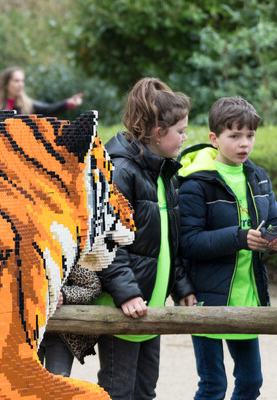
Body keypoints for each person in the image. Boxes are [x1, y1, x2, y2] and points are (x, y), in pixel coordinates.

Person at [178, 96, 277, 400]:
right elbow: (188, 243)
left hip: (249, 298)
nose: (245, 143)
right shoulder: (194, 183)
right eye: (235, 136)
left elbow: (275, 222)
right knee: (213, 386)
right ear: (214, 139)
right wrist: (239, 238)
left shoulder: (259, 177)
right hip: (205, 301)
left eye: (250, 135)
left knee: (251, 383)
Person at [94, 77, 196, 400]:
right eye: (180, 131)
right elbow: (108, 238)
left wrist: (181, 287)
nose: (185, 137)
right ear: (157, 133)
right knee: (117, 392)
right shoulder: (121, 171)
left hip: (151, 305)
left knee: (145, 391)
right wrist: (125, 293)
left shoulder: (164, 172)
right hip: (123, 306)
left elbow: (169, 239)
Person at [37, 264, 101, 377]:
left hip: (61, 334)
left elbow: (93, 286)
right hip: (23, 333)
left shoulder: (64, 252)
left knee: (57, 389)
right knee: (24, 389)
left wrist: (64, 295)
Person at [0, 66, 83, 128]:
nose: (21, 84)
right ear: (6, 84)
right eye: (16, 81)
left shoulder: (27, 105)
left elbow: (48, 109)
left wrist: (67, 103)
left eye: (22, 81)